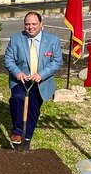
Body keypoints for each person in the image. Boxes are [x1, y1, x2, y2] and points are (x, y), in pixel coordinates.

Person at [4, 11, 62, 150]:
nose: (30, 27)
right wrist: (18, 73)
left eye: (34, 24)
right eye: (27, 24)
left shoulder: (52, 40)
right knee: (17, 99)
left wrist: (41, 74)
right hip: (21, 80)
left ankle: (27, 137)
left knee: (33, 109)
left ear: (41, 24)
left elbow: (57, 62)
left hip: (41, 81)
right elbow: (8, 59)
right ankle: (17, 131)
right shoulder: (16, 38)